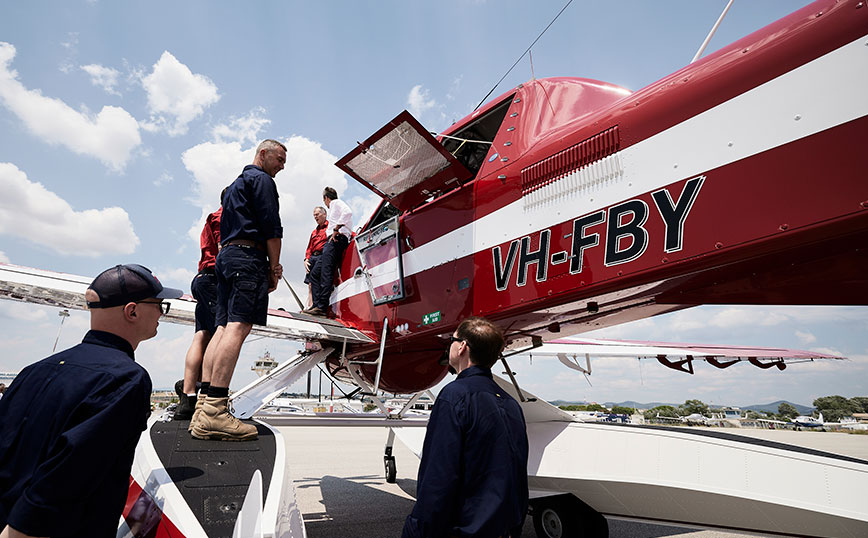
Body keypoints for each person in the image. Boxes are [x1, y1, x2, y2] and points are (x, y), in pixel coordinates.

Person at [0, 264, 182, 538]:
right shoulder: (126, 379)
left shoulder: (33, 370)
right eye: (158, 304)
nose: (161, 313)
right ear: (131, 311)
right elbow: (67, 476)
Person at [192, 139, 285, 441]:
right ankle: (216, 412)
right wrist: (274, 267)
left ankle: (203, 405)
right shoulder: (262, 181)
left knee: (220, 329)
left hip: (226, 258)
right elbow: (271, 227)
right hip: (248, 257)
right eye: (279, 159)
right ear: (263, 154)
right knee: (239, 326)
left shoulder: (233, 186)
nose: (282, 166)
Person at [402, 317, 529, 538]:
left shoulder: (455, 396)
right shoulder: (511, 404)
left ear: (461, 347)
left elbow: (439, 476)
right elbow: (517, 476)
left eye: (452, 339)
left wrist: (416, 530)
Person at [174, 192, 224, 421]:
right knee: (219, 337)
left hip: (203, 277)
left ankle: (188, 395)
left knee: (201, 335)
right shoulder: (225, 217)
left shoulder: (212, 217)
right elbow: (224, 249)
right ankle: (208, 394)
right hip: (214, 279)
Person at [305, 187, 352, 317]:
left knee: (326, 272)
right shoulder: (335, 205)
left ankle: (321, 307)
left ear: (326, 198)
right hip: (332, 242)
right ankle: (316, 304)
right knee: (315, 274)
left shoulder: (335, 203)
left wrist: (337, 228)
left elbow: (348, 212)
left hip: (335, 240)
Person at [303, 205, 328, 308]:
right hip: (312, 257)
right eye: (314, 216)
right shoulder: (314, 232)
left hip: (322, 256)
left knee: (317, 279)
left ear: (324, 214)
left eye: (317, 214)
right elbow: (309, 247)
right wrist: (306, 259)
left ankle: (317, 306)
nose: (315, 217)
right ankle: (310, 306)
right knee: (310, 284)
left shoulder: (330, 227)